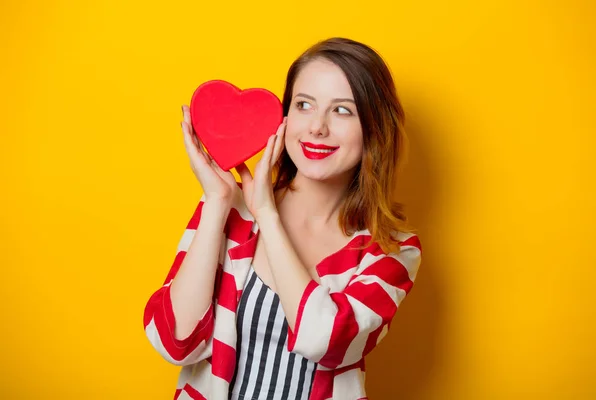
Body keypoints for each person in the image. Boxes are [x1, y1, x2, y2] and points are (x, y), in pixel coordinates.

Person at [143, 37, 423, 400]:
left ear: (374, 128)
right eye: (304, 105)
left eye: (342, 110)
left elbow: (327, 343)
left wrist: (269, 219)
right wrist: (216, 201)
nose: (317, 128)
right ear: (284, 116)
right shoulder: (229, 210)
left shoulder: (392, 250)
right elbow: (173, 342)